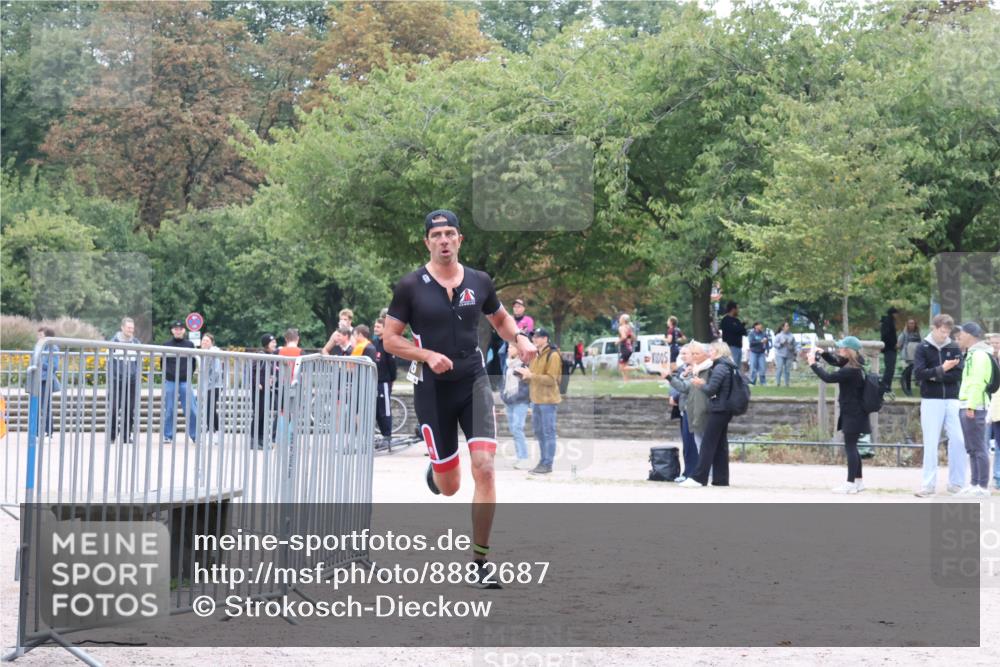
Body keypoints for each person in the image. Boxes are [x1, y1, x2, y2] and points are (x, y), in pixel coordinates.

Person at [383, 209, 537, 589]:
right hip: (432, 388)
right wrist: (426, 355)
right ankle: (437, 473)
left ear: (460, 239)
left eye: (450, 234)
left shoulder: (480, 281)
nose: (444, 241)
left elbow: (500, 320)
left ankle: (480, 561)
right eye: (437, 235)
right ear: (427, 242)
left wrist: (520, 338)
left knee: (484, 467)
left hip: (473, 382)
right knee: (450, 486)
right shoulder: (409, 286)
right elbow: (390, 339)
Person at [912, 314, 966, 498]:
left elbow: (958, 374)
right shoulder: (922, 347)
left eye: (947, 332)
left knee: (958, 440)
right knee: (931, 442)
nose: (945, 335)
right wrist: (942, 369)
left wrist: (934, 375)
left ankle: (956, 483)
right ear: (934, 328)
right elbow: (919, 374)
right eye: (942, 331)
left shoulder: (954, 347)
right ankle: (928, 485)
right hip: (931, 400)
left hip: (952, 399)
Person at [807, 336, 869, 494]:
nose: (839, 349)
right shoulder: (857, 364)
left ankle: (850, 484)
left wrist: (813, 364)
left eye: (842, 347)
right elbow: (836, 362)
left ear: (848, 351)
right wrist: (823, 353)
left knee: (850, 447)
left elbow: (828, 378)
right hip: (857, 412)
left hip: (852, 413)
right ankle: (858, 482)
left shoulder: (850, 371)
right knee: (853, 446)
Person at [681, 341, 738, 488]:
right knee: (720, 445)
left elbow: (711, 389)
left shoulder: (720, 367)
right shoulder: (728, 366)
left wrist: (701, 384)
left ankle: (699, 478)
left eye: (711, 351)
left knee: (708, 443)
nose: (709, 353)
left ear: (718, 352)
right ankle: (721, 479)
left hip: (719, 409)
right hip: (726, 409)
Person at [517, 327, 562, 475]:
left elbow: (551, 379)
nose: (534, 339)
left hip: (548, 400)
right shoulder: (535, 355)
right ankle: (543, 462)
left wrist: (531, 376)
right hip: (536, 399)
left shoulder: (553, 355)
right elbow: (533, 376)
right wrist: (523, 375)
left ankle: (547, 464)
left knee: (548, 432)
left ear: (545, 339)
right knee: (539, 432)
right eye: (533, 336)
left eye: (537, 337)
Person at [955, 322, 993, 497]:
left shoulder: (979, 355)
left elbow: (978, 382)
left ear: (970, 335)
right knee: (971, 448)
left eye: (961, 333)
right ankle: (974, 483)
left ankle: (982, 486)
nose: (959, 337)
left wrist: (971, 405)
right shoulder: (972, 354)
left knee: (978, 447)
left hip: (975, 406)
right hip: (967, 405)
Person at [665, 343, 712, 482]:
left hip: (695, 409)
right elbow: (677, 385)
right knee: (688, 443)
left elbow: (686, 388)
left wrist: (676, 394)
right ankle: (689, 472)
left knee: (696, 443)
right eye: (682, 354)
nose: (683, 356)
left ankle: (698, 473)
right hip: (684, 409)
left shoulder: (701, 369)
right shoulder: (683, 369)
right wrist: (673, 394)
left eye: (686, 353)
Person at [162, 320, 198, 444]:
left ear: (184, 330)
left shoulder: (190, 345)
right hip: (170, 380)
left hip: (185, 380)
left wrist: (188, 375)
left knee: (192, 409)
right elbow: (162, 362)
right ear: (172, 330)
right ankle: (168, 435)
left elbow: (193, 363)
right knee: (169, 409)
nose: (178, 331)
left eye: (180, 329)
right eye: (175, 329)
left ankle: (195, 435)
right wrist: (168, 374)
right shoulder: (166, 345)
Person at [108, 317, 142, 444]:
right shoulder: (113, 342)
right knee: (114, 408)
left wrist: (136, 375)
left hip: (131, 381)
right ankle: (112, 435)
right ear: (122, 328)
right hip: (116, 380)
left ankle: (126, 436)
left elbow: (139, 361)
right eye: (128, 328)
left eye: (132, 328)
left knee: (129, 409)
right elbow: (109, 362)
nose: (130, 330)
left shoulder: (136, 343)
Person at [501, 344, 531, 470]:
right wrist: (504, 396)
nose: (508, 349)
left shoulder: (524, 364)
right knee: (513, 430)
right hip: (509, 401)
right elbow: (504, 382)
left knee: (517, 428)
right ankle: (519, 457)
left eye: (511, 347)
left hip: (520, 401)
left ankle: (524, 458)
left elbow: (528, 385)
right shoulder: (508, 364)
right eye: (508, 347)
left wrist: (519, 397)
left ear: (519, 350)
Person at [250, 333, 278, 449]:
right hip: (259, 389)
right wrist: (257, 383)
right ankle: (254, 439)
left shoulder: (271, 356)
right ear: (266, 344)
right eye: (272, 342)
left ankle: (261, 438)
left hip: (266, 389)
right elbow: (253, 371)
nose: (275, 344)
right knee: (258, 414)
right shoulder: (261, 355)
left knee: (264, 414)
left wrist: (272, 378)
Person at [373, 318, 397, 442]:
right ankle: (382, 435)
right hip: (375, 382)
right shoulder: (374, 343)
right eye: (375, 326)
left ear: (384, 328)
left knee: (385, 410)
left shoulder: (388, 344)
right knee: (377, 410)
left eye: (378, 327)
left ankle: (387, 435)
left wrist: (391, 380)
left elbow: (392, 364)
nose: (375, 329)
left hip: (384, 382)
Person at [200, 333, 224, 444]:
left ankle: (214, 432)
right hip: (209, 385)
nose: (204, 342)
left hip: (214, 385)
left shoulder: (214, 353)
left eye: (207, 341)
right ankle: (214, 432)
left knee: (210, 408)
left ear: (212, 343)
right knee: (209, 408)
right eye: (203, 340)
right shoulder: (205, 353)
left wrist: (208, 382)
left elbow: (216, 371)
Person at [36, 327, 61, 437]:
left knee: (45, 406)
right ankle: (37, 431)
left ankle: (48, 431)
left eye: (41, 335)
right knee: (37, 406)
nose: (38, 337)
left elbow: (54, 366)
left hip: (45, 380)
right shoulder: (39, 347)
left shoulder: (53, 348)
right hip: (37, 379)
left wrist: (40, 362)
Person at [897, 318, 922, 397]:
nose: (911, 325)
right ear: (907, 324)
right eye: (910, 323)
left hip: (917, 356)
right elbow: (899, 344)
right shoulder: (904, 334)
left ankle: (918, 382)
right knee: (908, 373)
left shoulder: (918, 333)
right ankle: (908, 390)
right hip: (907, 357)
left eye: (913, 323)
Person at [719, 301, 747, 371]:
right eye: (737, 309)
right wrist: (741, 327)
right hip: (730, 346)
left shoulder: (737, 320)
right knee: (732, 366)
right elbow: (734, 330)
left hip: (738, 346)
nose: (738, 311)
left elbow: (743, 332)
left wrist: (742, 325)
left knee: (737, 367)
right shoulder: (726, 320)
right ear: (733, 309)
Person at [989, 333, 1000, 490]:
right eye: (993, 343)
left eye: (997, 342)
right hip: (990, 405)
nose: (995, 345)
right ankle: (997, 477)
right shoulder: (987, 359)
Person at [879, 307, 899, 393]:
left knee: (890, 368)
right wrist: (893, 344)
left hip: (889, 348)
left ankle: (886, 385)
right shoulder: (888, 322)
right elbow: (886, 335)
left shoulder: (888, 322)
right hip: (889, 348)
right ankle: (885, 385)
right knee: (890, 368)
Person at [772, 322, 797, 387]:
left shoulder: (791, 336)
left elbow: (795, 345)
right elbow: (774, 344)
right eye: (786, 326)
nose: (788, 327)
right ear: (783, 327)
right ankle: (778, 383)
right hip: (780, 355)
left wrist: (794, 350)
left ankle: (787, 383)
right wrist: (781, 344)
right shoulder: (779, 335)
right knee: (779, 368)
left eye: (788, 326)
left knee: (787, 370)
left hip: (789, 355)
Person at [617, 313, 636, 382]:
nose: (619, 320)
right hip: (629, 349)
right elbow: (634, 338)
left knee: (621, 367)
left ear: (623, 320)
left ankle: (637, 367)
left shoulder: (621, 327)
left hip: (625, 348)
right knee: (625, 365)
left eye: (620, 318)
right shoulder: (629, 328)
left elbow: (624, 337)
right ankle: (626, 381)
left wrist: (617, 341)